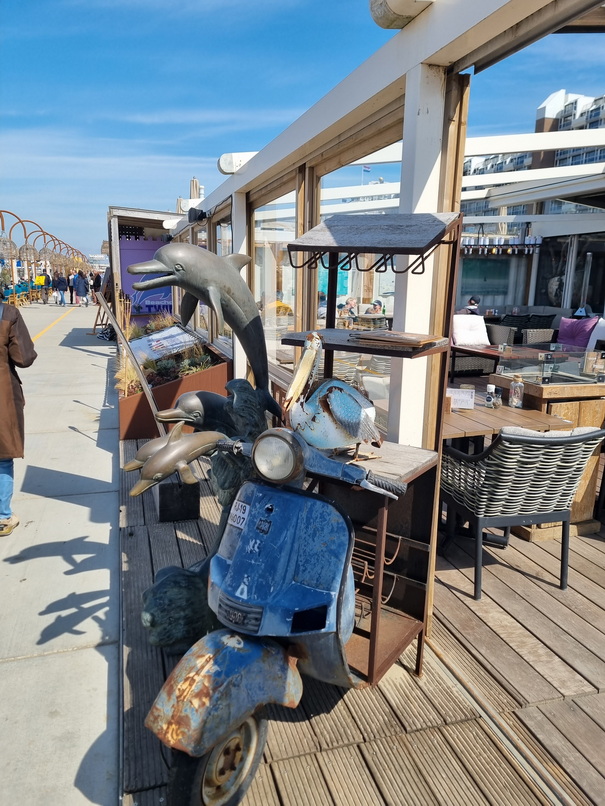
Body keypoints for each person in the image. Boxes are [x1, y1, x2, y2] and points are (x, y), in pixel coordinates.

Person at [0, 300, 37, 536]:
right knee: (2, 457)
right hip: (2, 393)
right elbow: (23, 358)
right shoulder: (7, 313)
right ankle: (2, 517)